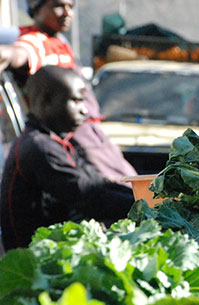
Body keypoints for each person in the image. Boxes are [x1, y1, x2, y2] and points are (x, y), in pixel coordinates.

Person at [0, 0, 137, 184]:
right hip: (78, 141)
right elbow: (15, 54)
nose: (66, 13)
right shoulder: (34, 41)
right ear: (36, 8)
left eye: (71, 7)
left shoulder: (59, 42)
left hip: (94, 136)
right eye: (58, 6)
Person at [1, 66, 135, 250]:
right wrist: (142, 205)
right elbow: (90, 197)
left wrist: (144, 196)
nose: (85, 111)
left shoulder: (59, 141)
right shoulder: (39, 148)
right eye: (76, 101)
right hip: (35, 260)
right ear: (46, 101)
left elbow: (99, 184)